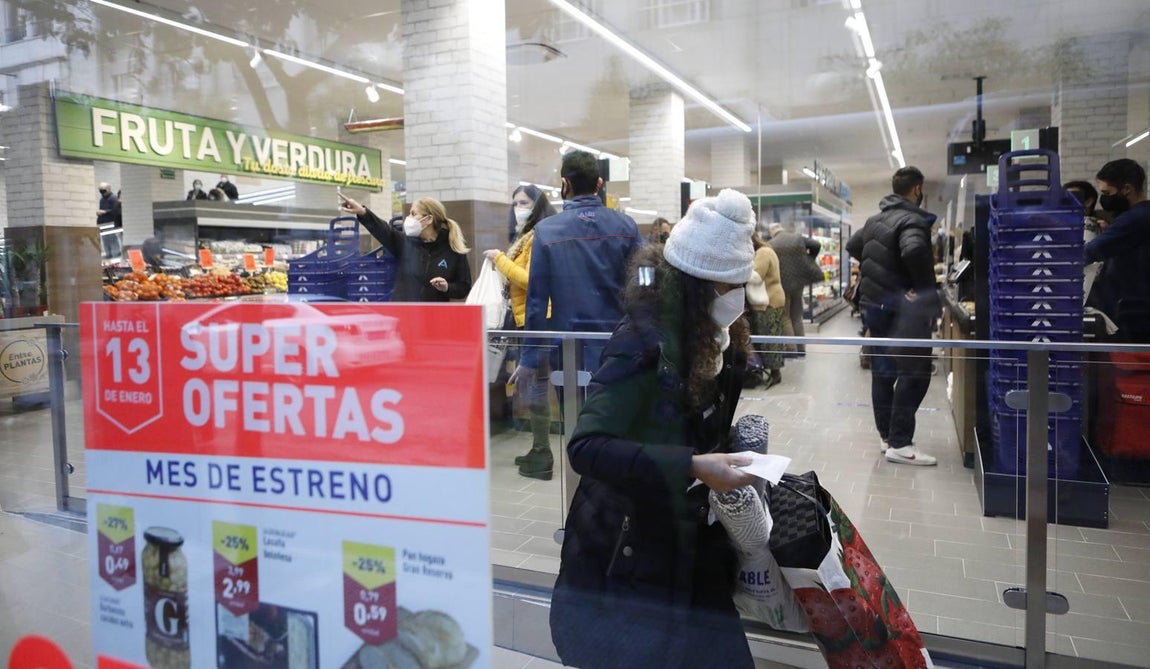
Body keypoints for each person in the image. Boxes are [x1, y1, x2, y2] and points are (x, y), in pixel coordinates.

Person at [549, 189, 759, 669]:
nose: (737, 299)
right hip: (630, 547)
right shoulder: (642, 343)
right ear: (697, 286)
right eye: (729, 287)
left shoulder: (717, 342)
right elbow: (587, 447)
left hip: (688, 544)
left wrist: (733, 450)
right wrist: (692, 465)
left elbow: (693, 427)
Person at [515, 150, 641, 480]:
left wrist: (529, 359)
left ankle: (583, 498)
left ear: (563, 183)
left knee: (578, 427)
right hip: (621, 347)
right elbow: (646, 284)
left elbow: (537, 302)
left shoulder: (547, 231)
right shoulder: (626, 227)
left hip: (568, 352)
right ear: (599, 184)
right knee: (618, 426)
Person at [846, 166, 939, 466]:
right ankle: (901, 443)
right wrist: (923, 290)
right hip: (902, 309)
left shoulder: (875, 220)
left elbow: (853, 245)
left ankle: (887, 437)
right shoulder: (912, 218)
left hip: (874, 305)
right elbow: (913, 251)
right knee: (915, 372)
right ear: (917, 189)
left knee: (883, 371)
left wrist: (881, 268)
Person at [483, 187, 558, 476]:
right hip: (527, 318)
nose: (517, 208)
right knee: (532, 385)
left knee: (537, 385)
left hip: (539, 318)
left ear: (536, 205)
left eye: (523, 202)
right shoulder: (525, 236)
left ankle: (543, 454)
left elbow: (531, 280)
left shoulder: (538, 236)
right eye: (514, 203)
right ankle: (539, 447)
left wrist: (500, 260)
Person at [340, 193, 473, 303]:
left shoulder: (453, 249)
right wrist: (363, 212)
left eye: (413, 214)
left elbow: (464, 287)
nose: (408, 218)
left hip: (433, 319)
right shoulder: (405, 243)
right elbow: (383, 230)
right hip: (404, 316)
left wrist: (446, 287)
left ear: (428, 219)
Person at [1085, 159, 1150, 342]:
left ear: (1127, 189)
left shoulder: (1134, 218)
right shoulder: (1141, 215)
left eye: (1107, 193)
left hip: (1135, 315)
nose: (1104, 199)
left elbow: (1091, 252)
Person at [766, 222, 821, 354]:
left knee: (785, 316)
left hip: (782, 284)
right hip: (798, 282)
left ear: (772, 232)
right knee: (797, 316)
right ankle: (801, 349)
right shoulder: (797, 237)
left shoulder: (771, 244)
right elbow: (816, 245)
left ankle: (791, 349)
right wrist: (809, 259)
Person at [748, 233, 785, 388]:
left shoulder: (762, 253)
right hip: (772, 299)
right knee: (770, 338)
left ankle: (775, 374)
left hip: (768, 301)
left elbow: (756, 277)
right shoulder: (767, 250)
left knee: (768, 338)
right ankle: (773, 372)